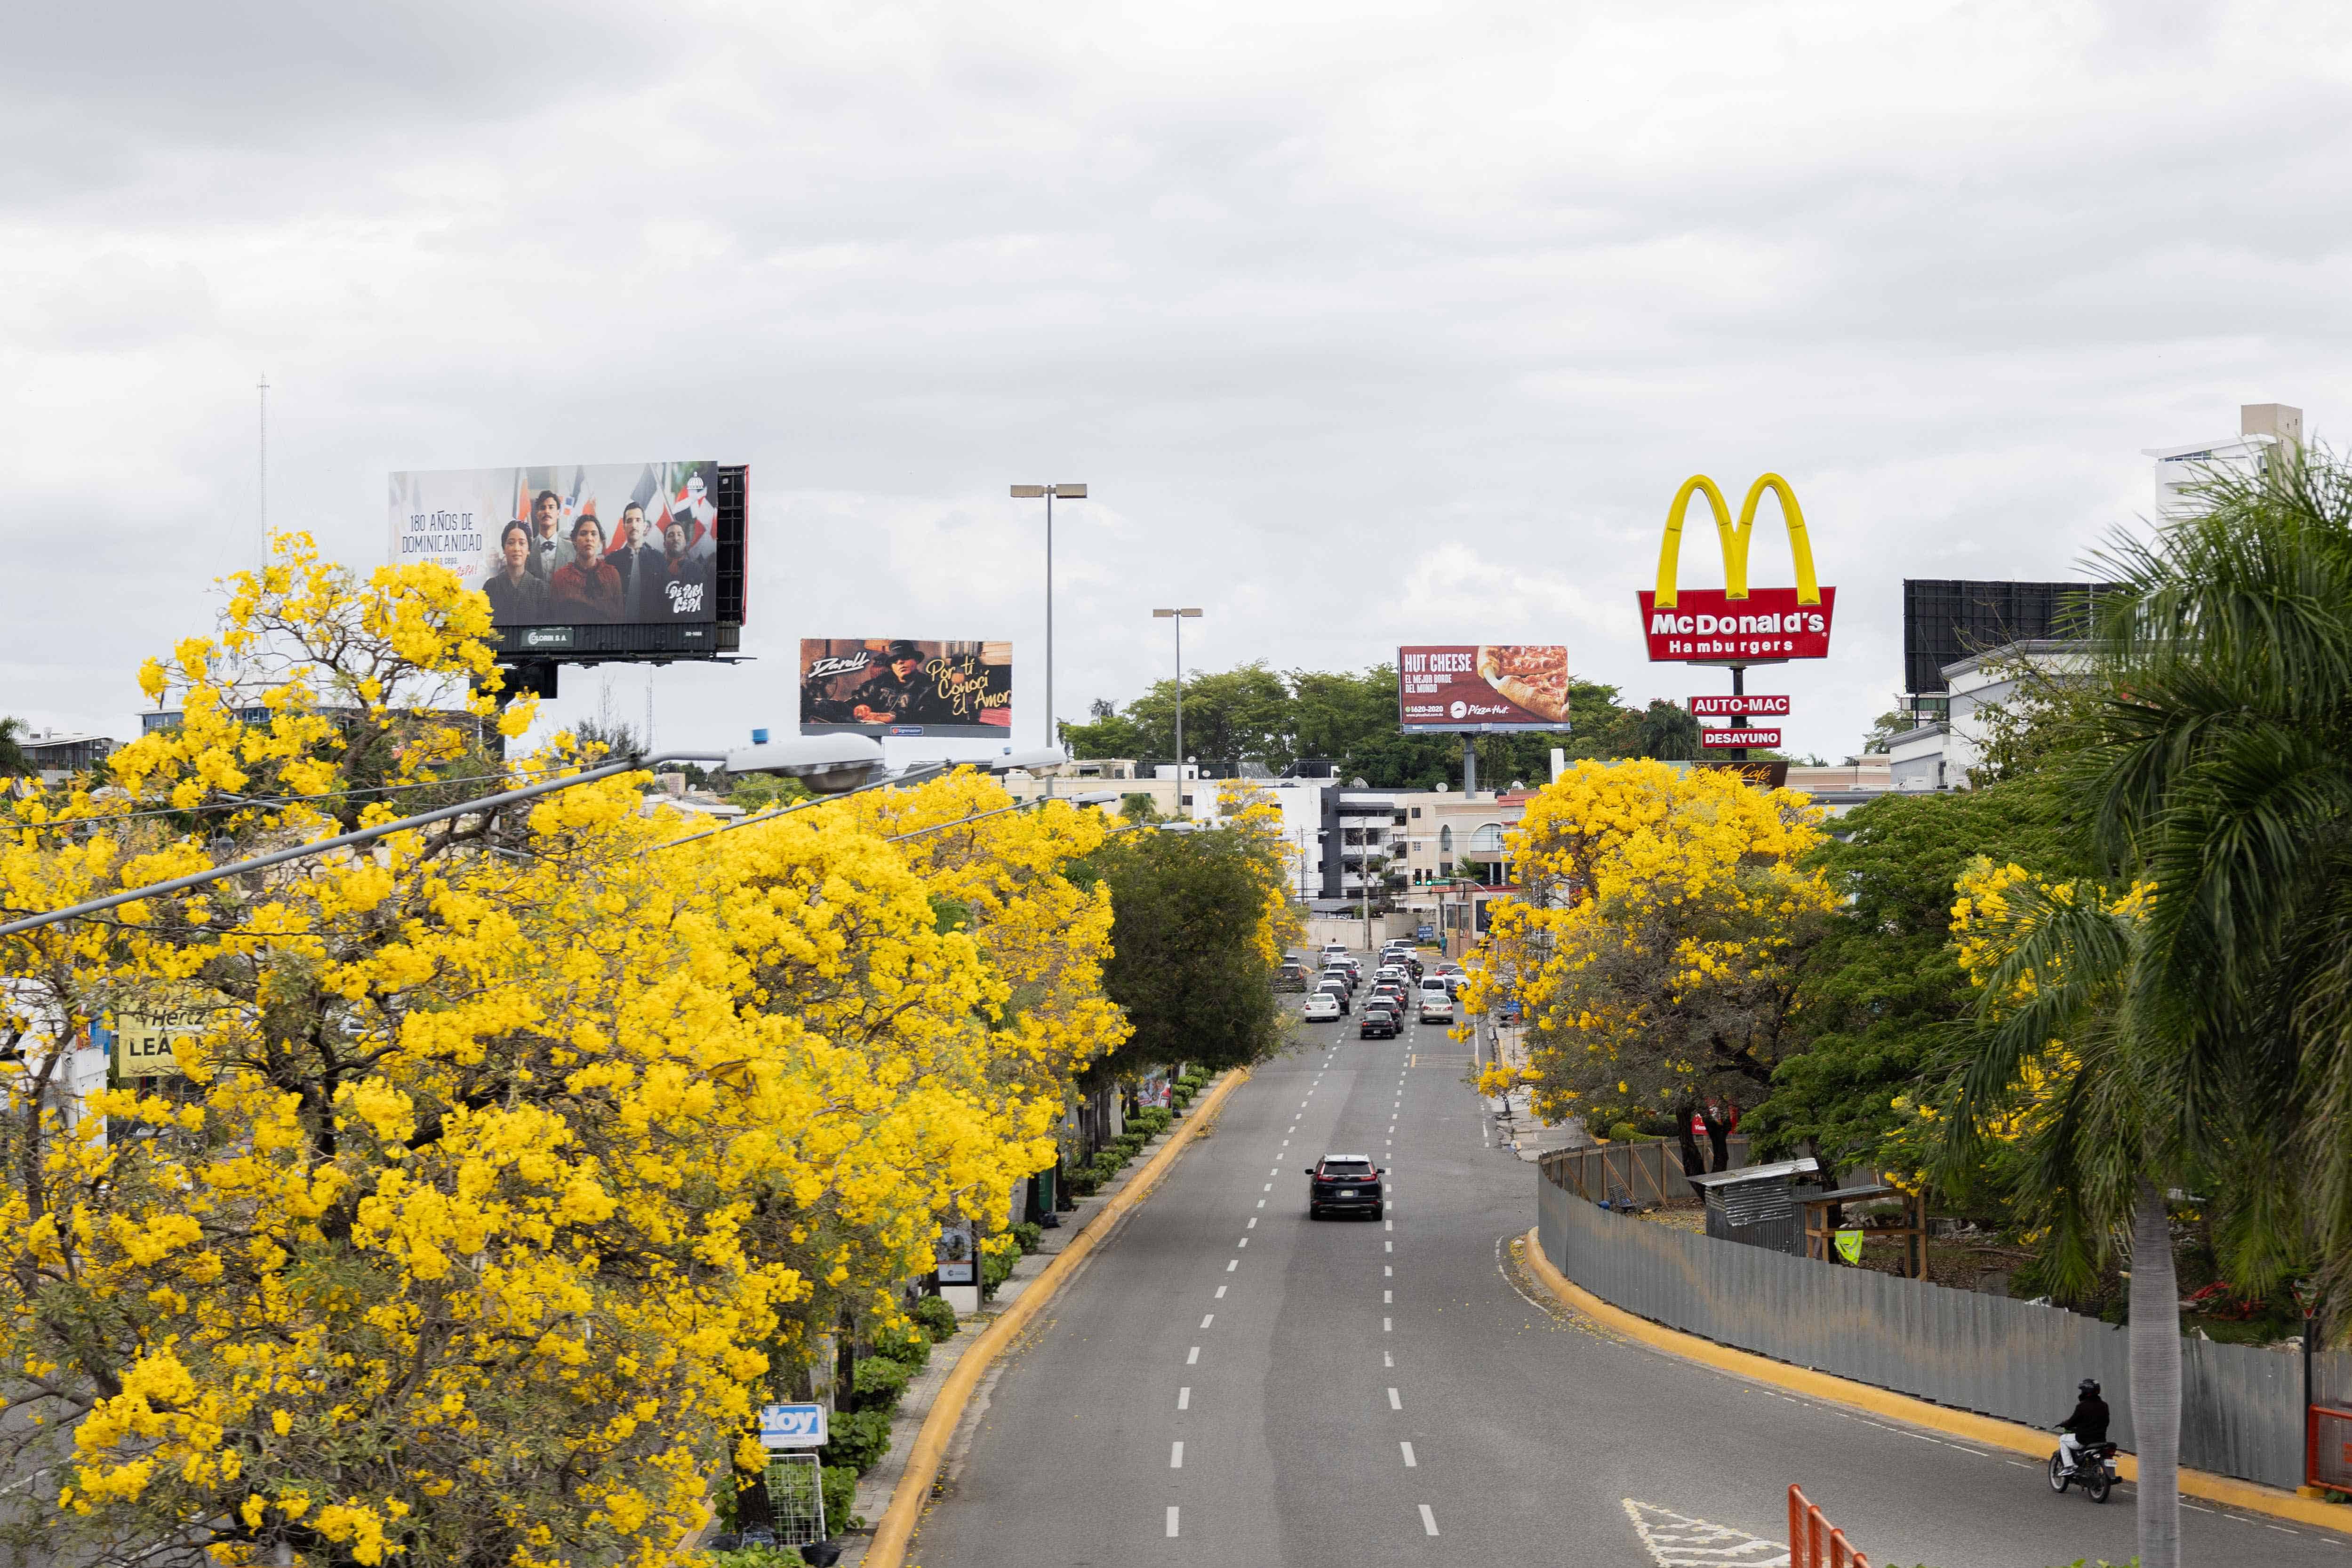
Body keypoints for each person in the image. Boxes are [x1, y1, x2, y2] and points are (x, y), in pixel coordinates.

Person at [549, 514, 624, 622]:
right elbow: (554, 619)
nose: (589, 538)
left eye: (594, 534)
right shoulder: (560, 578)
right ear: (574, 540)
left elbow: (619, 618)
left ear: (600, 542)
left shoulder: (612, 575)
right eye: (584, 534)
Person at [851, 640, 941, 724]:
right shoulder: (880, 682)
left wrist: (894, 717)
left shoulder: (931, 687)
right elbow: (857, 698)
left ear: (916, 661)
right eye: (895, 660)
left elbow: (929, 717)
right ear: (892, 666)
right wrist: (860, 706)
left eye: (905, 657)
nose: (900, 662)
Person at [480, 520, 550, 624]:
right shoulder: (491, 586)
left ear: (529, 550)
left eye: (522, 543)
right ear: (504, 549)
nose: (517, 548)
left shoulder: (541, 589)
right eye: (511, 543)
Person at [642, 515, 711, 619]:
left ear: (685, 542)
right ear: (664, 543)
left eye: (680, 535)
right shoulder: (653, 570)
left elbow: (703, 608)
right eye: (671, 535)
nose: (676, 538)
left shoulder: (697, 570)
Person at [605, 502, 664, 609]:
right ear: (624, 527)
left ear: (645, 526)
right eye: (629, 521)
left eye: (638, 520)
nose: (634, 525)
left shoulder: (659, 559)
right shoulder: (611, 561)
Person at [2056, 1377, 2109, 1475]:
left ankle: (2069, 1467)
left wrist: (2065, 1424)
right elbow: (2106, 1422)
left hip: (2084, 1440)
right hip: (2101, 1440)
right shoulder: (2104, 1405)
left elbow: (2072, 1421)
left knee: (2063, 1439)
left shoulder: (2082, 1406)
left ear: (2086, 1391)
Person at [521, 489, 566, 580]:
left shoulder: (572, 549)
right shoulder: (527, 549)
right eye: (543, 508)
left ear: (558, 513)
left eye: (551, 507)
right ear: (537, 514)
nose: (547, 511)